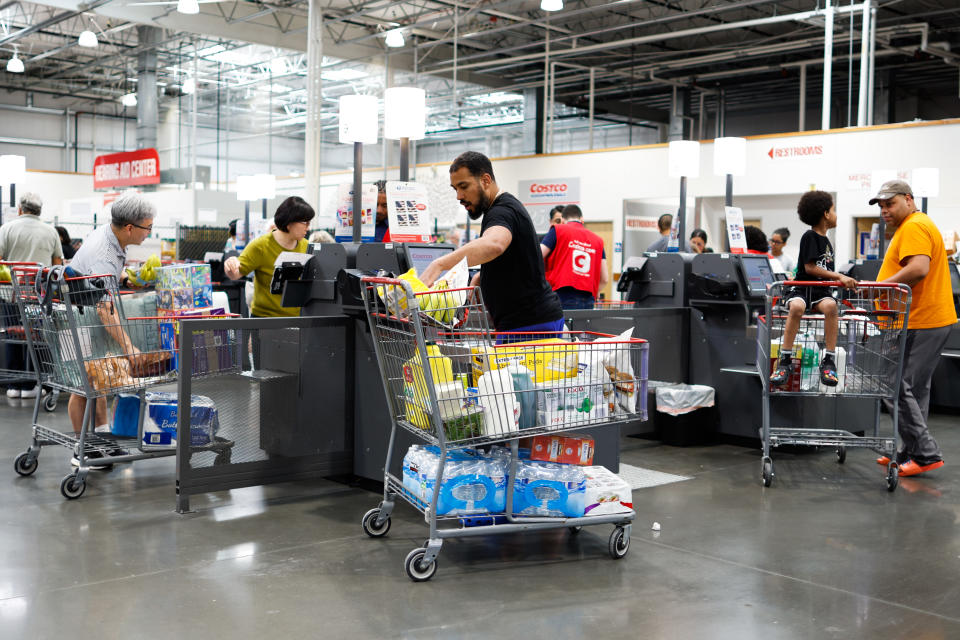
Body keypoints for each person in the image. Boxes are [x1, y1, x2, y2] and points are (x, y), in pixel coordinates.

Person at [419, 151, 563, 340]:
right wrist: (482, 276)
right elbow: (513, 258)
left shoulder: (501, 211)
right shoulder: (502, 209)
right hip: (528, 321)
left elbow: (495, 244)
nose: (459, 196)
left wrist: (438, 265)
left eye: (464, 186)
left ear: (485, 180)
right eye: (455, 189)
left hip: (528, 325)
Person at [870, 180, 956, 477]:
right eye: (880, 206)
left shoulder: (914, 227)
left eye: (889, 204)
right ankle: (910, 451)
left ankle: (926, 453)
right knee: (913, 390)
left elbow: (919, 268)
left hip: (921, 320)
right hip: (927, 320)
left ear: (908, 199)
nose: (884, 211)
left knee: (892, 386)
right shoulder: (918, 224)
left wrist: (877, 289)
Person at [68, 192, 157, 465]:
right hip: (79, 318)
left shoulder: (110, 236)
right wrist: (129, 346)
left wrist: (123, 279)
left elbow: (101, 284)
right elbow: (105, 310)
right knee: (83, 385)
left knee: (99, 376)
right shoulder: (105, 254)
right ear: (130, 227)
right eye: (148, 228)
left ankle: (103, 438)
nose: (149, 233)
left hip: (87, 311)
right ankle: (82, 448)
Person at [770, 191, 857, 389]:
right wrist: (839, 276)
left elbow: (824, 269)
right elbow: (810, 268)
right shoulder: (810, 236)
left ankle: (829, 360)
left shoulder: (827, 242)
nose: (836, 214)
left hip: (820, 293)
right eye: (834, 210)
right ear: (826, 214)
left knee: (831, 307)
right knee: (797, 308)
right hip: (802, 289)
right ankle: (785, 360)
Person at [0, 192, 64, 399]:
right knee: (38, 337)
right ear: (40, 210)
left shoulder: (6, 229)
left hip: (11, 293)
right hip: (40, 295)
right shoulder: (51, 231)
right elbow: (58, 264)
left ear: (20, 209)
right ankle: (37, 383)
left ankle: (14, 385)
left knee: (13, 334)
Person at [224, 196, 315, 318]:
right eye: (305, 223)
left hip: (298, 320)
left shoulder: (308, 247)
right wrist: (230, 265)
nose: (308, 228)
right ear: (290, 222)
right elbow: (235, 274)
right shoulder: (260, 246)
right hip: (265, 320)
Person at [540, 204, 609, 309]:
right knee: (582, 325)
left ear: (563, 219)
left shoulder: (558, 230)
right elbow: (604, 279)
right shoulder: (598, 240)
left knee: (562, 326)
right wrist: (597, 290)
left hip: (561, 296)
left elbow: (537, 255)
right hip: (588, 299)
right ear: (582, 219)